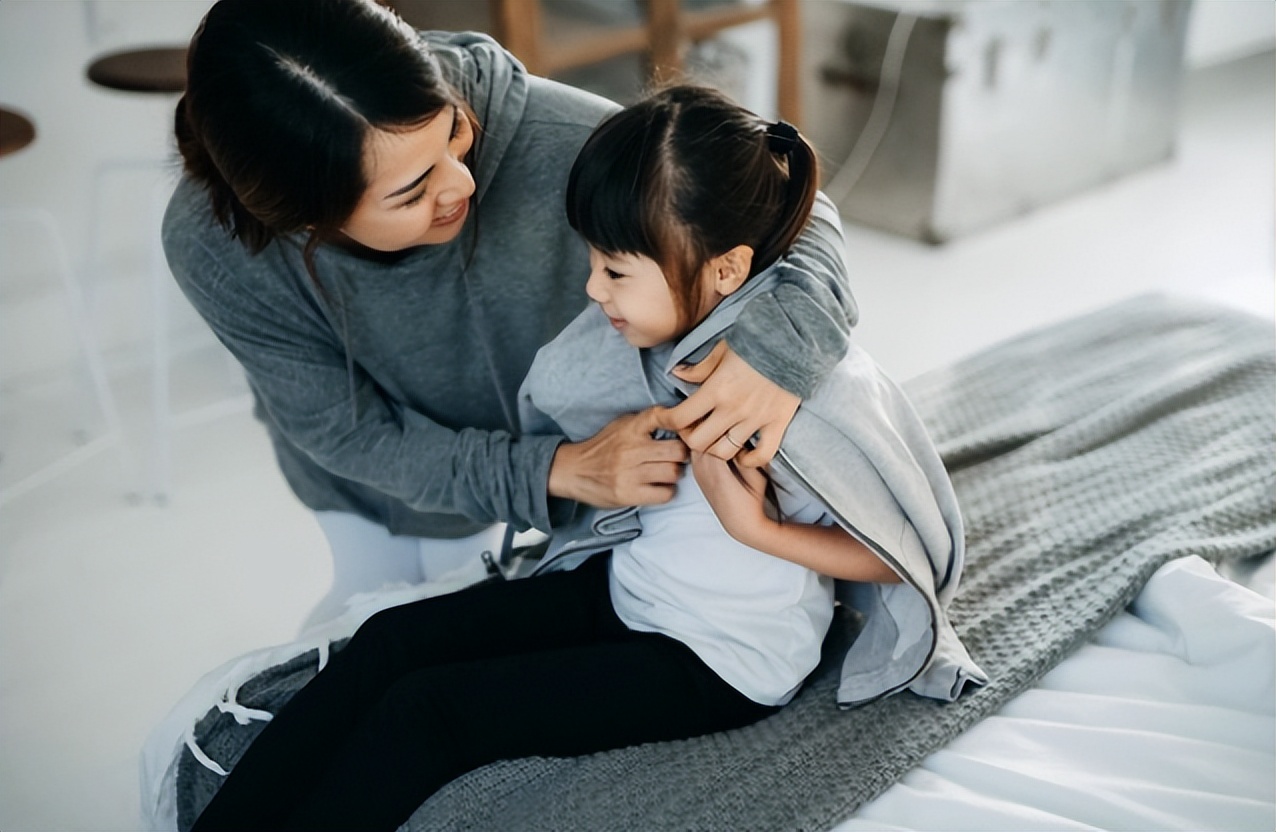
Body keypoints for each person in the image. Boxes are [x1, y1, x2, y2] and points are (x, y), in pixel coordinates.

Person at [189, 83, 982, 832]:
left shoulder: (793, 395)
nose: (593, 290)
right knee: (390, 642)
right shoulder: (662, 339)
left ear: (727, 269)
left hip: (718, 661)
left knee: (431, 713)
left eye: (614, 271)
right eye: (593, 262)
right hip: (626, 593)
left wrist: (756, 529)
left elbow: (905, 553)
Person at [163, 0, 857, 630]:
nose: (459, 183)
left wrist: (780, 352)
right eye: (410, 192)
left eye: (454, 135)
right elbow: (349, 435)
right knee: (364, 614)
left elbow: (791, 200)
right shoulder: (214, 245)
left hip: (540, 455)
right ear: (303, 221)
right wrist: (556, 470)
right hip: (370, 477)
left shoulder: (553, 133)